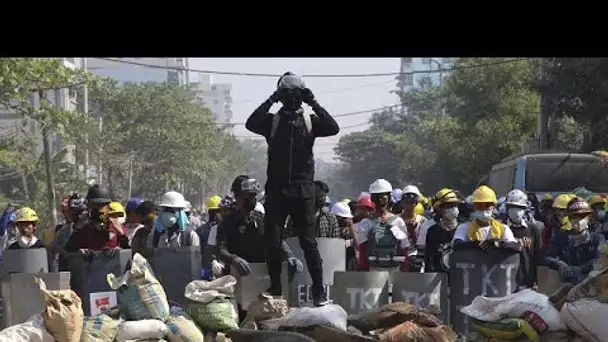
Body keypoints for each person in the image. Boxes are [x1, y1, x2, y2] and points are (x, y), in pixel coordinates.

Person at [245, 72, 339, 306]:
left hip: (303, 189)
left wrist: (312, 101)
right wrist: (272, 99)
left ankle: (319, 292)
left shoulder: (310, 121)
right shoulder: (272, 121)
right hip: (277, 190)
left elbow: (333, 127)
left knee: (309, 243)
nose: (291, 100)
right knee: (272, 241)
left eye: (295, 95)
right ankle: (276, 286)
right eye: (287, 95)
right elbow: (251, 123)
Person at [214, 176, 303, 299]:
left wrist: (289, 254)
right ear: (238, 197)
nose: (253, 199)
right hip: (237, 279)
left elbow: (276, 239)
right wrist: (234, 259)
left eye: (254, 195)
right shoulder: (227, 223)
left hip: (262, 275)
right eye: (248, 196)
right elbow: (220, 250)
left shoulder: (261, 218)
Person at [545, 197, 605, 285]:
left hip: (591, 285)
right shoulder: (560, 237)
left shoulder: (597, 238)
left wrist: (582, 269)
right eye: (574, 217)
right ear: (569, 219)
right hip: (565, 285)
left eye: (582, 217)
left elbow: (601, 259)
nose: (579, 221)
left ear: (589, 219)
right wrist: (560, 264)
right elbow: (548, 257)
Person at [355, 179, 411, 271]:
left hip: (374, 270)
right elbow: (404, 250)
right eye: (378, 196)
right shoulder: (398, 221)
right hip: (392, 270)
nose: (380, 199)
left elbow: (363, 254)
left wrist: (362, 272)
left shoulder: (366, 223)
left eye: (382, 196)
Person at [452, 186, 520, 253]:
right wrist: (476, 244)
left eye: (487, 206)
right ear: (474, 207)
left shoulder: (503, 228)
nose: (483, 209)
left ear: (494, 206)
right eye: (479, 206)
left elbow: (514, 246)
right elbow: (457, 244)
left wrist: (496, 244)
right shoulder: (464, 227)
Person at [64, 185, 129, 254]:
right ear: (88, 205)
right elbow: (67, 251)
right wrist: (78, 252)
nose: (99, 209)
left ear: (109, 205)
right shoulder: (82, 228)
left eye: (102, 205)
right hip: (87, 264)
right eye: (95, 205)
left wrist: (120, 250)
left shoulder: (116, 227)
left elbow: (129, 252)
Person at [504, 189, 543, 291]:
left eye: (519, 208)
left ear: (525, 209)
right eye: (512, 207)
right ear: (507, 208)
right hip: (505, 282)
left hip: (527, 282)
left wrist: (538, 281)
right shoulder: (500, 228)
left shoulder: (533, 229)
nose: (516, 211)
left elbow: (538, 256)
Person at [424, 189, 461, 273]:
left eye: (455, 205)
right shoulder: (433, 231)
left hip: (459, 278)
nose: (453, 208)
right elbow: (429, 260)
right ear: (439, 209)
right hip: (438, 278)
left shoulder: (463, 229)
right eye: (448, 205)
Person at [330, 202, 360, 271]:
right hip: (333, 264)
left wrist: (351, 228)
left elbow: (358, 246)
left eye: (347, 219)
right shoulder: (330, 228)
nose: (346, 221)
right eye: (343, 219)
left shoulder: (351, 230)